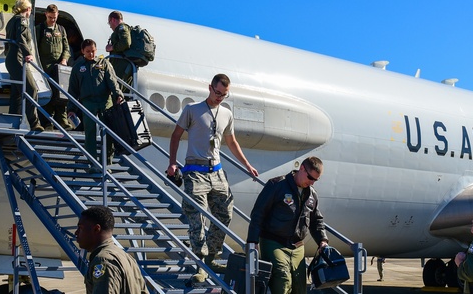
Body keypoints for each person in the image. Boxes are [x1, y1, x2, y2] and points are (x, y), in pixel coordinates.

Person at [167, 73, 258, 282]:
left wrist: (247, 164)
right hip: (194, 171)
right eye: (217, 93)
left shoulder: (226, 113)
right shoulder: (192, 110)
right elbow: (176, 135)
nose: (219, 98)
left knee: (225, 213)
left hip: (216, 171)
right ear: (210, 88)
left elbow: (231, 141)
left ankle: (211, 258)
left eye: (224, 95)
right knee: (197, 217)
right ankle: (200, 263)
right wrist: (172, 162)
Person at [247, 157, 329, 294]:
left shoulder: (311, 194)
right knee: (282, 281)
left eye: (315, 180)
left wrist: (323, 241)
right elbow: (258, 213)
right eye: (310, 177)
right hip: (274, 242)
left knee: (299, 286)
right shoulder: (277, 185)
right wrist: (252, 241)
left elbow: (316, 220)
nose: (312, 182)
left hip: (297, 246)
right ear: (302, 168)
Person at [68, 39, 123, 168]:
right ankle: (92, 163)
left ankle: (106, 163)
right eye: (88, 52)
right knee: (90, 132)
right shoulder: (77, 67)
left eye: (93, 51)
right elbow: (73, 90)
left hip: (105, 101)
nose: (91, 54)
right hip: (88, 102)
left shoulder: (104, 64)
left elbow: (112, 81)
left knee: (108, 132)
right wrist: (71, 109)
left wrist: (118, 95)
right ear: (82, 51)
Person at [75, 205, 149, 294]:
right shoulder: (126, 257)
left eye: (81, 228)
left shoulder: (103, 260)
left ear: (96, 229)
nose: (76, 232)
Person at [5, 0, 44, 131]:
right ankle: (34, 123)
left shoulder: (11, 21)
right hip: (18, 58)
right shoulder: (22, 20)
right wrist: (28, 53)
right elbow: (21, 37)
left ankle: (13, 120)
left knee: (16, 92)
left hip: (11, 59)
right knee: (32, 88)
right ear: (27, 9)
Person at [36, 4, 71, 130]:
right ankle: (47, 122)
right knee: (48, 95)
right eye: (50, 17)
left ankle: (62, 120)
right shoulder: (39, 29)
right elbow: (35, 49)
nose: (53, 20)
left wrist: (64, 59)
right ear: (46, 14)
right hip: (44, 67)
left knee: (62, 95)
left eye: (55, 17)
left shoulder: (61, 30)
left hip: (59, 68)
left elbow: (67, 48)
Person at [105, 11, 133, 92]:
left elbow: (126, 43)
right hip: (121, 64)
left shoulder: (122, 28)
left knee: (116, 87)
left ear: (113, 20)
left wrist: (111, 48)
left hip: (121, 65)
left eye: (109, 22)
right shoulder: (119, 30)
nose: (110, 26)